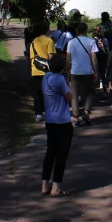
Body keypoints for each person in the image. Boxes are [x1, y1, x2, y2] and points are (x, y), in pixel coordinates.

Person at [40, 54, 74, 197]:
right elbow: (70, 97)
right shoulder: (60, 80)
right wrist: (67, 78)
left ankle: (44, 184)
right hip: (63, 121)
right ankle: (56, 186)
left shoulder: (46, 77)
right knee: (61, 154)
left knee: (50, 152)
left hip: (50, 119)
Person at [66, 22, 99, 127]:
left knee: (74, 95)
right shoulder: (91, 42)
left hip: (75, 71)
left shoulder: (71, 42)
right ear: (86, 30)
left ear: (76, 31)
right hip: (88, 71)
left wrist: (68, 71)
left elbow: (68, 58)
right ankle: (86, 111)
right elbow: (94, 57)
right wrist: (96, 70)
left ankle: (75, 117)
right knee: (90, 92)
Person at [29, 22, 56, 123]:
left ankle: (38, 113)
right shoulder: (49, 41)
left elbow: (32, 57)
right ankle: (50, 112)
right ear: (47, 30)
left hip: (35, 70)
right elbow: (51, 57)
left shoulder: (33, 42)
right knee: (49, 93)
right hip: (47, 71)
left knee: (37, 93)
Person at [92, 25, 110, 97]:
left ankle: (94, 91)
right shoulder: (105, 40)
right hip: (103, 59)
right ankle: (104, 91)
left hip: (96, 59)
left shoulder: (92, 40)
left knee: (96, 75)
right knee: (103, 76)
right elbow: (107, 52)